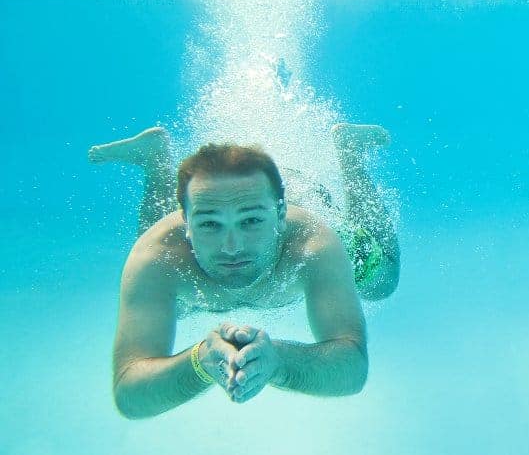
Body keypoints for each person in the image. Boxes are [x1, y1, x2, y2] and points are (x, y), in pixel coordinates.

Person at [88, 123, 399, 419]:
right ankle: (156, 159)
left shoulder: (313, 246)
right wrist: (198, 362)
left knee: (381, 281)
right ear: (186, 223)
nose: (232, 247)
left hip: (305, 200)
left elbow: (353, 366)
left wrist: (279, 362)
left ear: (280, 216)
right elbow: (129, 393)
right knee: (163, 266)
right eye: (209, 224)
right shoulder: (157, 256)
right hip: (218, 213)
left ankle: (351, 155)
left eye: (251, 222)